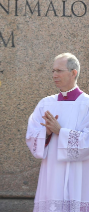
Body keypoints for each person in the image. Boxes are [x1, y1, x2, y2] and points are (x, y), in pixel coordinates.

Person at [26, 53, 89, 211]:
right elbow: (31, 136)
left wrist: (60, 131)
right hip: (52, 174)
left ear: (73, 73)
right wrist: (46, 133)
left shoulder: (87, 105)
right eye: (53, 71)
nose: (54, 75)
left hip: (79, 174)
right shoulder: (45, 104)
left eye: (59, 71)